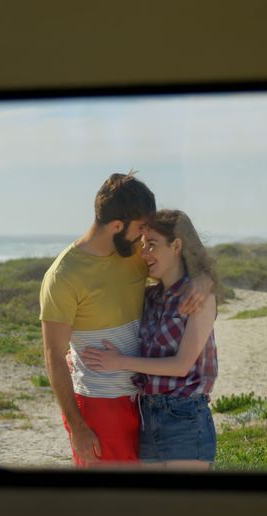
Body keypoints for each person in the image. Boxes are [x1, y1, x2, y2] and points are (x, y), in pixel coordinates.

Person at [39, 174, 208, 467]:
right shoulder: (62, 276)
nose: (145, 238)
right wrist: (77, 428)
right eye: (141, 228)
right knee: (111, 505)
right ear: (117, 226)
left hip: (145, 405)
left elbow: (182, 265)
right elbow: (53, 355)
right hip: (100, 407)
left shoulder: (133, 255)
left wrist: (205, 281)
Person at [81, 209, 219, 469]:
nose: (144, 253)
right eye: (143, 245)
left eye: (152, 245)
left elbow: (181, 365)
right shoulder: (150, 297)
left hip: (186, 419)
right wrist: (75, 351)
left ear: (176, 245)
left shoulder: (200, 297)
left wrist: (120, 362)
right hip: (147, 418)